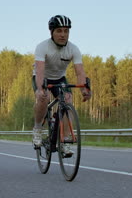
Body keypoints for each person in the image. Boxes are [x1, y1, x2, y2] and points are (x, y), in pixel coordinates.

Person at [32, 15, 91, 154]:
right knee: (44, 97)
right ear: (51, 32)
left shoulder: (73, 49)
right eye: (59, 31)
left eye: (66, 31)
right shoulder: (42, 47)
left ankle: (64, 140)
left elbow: (80, 72)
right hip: (42, 77)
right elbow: (39, 71)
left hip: (59, 79)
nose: (63, 35)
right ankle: (37, 129)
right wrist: (40, 90)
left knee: (68, 100)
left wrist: (84, 89)